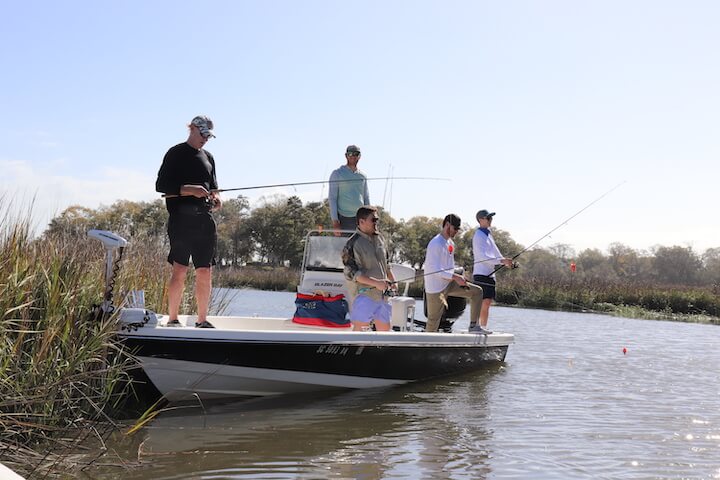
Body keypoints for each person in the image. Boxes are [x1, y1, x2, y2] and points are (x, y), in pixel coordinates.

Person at [155, 115, 222, 329]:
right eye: (203, 134)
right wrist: (189, 190)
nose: (205, 139)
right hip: (180, 221)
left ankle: (202, 320)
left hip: (205, 221)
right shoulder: (175, 153)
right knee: (180, 269)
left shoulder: (209, 157)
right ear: (192, 128)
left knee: (204, 270)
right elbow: (161, 186)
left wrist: (216, 198)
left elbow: (213, 187)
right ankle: (172, 318)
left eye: (208, 136)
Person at [423, 214, 484, 333]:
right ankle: (424, 347)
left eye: (458, 229)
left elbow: (449, 267)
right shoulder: (435, 243)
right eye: (455, 228)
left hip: (449, 284)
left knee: (477, 292)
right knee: (433, 321)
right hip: (435, 289)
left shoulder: (451, 243)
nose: (456, 231)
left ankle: (474, 326)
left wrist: (459, 275)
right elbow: (434, 269)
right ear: (447, 225)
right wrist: (455, 277)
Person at [342, 206, 396, 331]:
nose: (376, 222)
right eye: (373, 220)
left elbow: (386, 264)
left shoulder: (380, 239)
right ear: (361, 221)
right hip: (364, 296)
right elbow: (353, 274)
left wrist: (392, 282)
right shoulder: (352, 244)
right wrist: (376, 283)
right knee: (360, 329)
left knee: (385, 331)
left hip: (383, 296)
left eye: (377, 219)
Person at [472, 209, 514, 333]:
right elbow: (483, 256)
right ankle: (477, 326)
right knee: (483, 302)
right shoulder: (478, 235)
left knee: (488, 302)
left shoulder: (488, 234)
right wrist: (501, 261)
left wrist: (507, 263)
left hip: (490, 275)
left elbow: (496, 252)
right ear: (480, 220)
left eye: (491, 218)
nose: (490, 220)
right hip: (481, 273)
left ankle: (483, 327)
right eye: (488, 218)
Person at [329, 145, 370, 233]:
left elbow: (366, 197)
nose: (353, 156)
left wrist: (369, 217)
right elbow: (332, 198)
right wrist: (335, 221)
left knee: (362, 246)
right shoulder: (337, 173)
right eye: (350, 154)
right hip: (344, 219)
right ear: (346, 156)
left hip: (361, 219)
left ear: (359, 156)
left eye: (356, 154)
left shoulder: (362, 176)